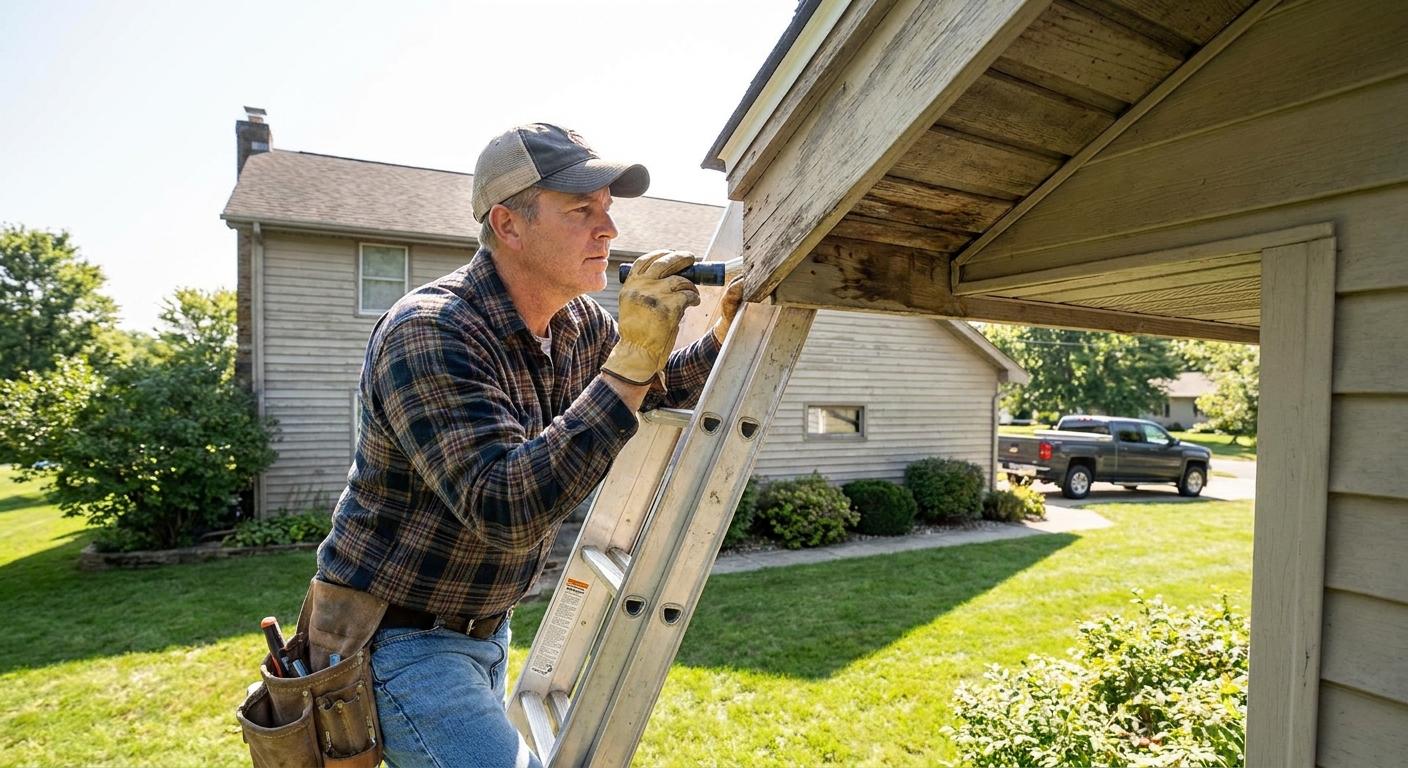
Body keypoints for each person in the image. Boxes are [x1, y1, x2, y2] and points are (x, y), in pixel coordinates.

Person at [314, 123, 742, 768]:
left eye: (606, 210)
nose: (609, 231)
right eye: (580, 211)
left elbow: (650, 389)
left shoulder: (575, 324)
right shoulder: (431, 331)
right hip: (393, 638)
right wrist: (629, 361)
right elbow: (504, 509)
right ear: (508, 225)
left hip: (483, 628)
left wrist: (721, 338)